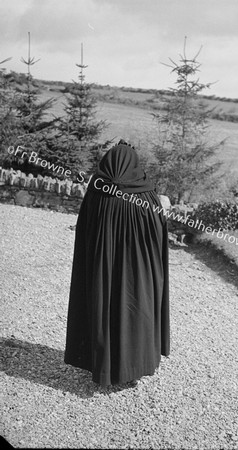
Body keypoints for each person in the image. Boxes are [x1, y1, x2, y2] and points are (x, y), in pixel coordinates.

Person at [64, 140, 170, 387]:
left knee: (102, 305)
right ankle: (135, 366)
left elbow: (85, 231)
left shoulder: (97, 191)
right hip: (139, 270)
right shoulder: (146, 193)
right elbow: (158, 233)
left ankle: (101, 365)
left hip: (103, 267)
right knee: (137, 309)